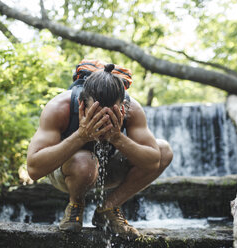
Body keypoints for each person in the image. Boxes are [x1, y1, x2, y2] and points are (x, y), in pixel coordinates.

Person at [26, 62, 173, 239]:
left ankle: (109, 208)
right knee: (84, 161)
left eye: (110, 114)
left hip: (108, 168)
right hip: (69, 172)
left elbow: (154, 161)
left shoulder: (132, 109)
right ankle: (76, 205)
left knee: (163, 149)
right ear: (81, 104)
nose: (103, 120)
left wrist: (117, 138)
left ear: (122, 107)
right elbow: (34, 169)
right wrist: (81, 136)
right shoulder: (59, 107)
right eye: (95, 113)